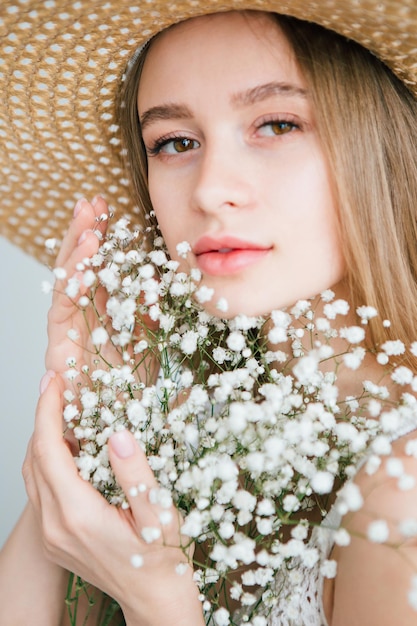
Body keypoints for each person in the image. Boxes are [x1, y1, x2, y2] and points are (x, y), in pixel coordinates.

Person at [1, 2, 417, 625]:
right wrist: (86, 421)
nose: (207, 188)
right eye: (175, 142)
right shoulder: (195, 434)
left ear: (382, 144)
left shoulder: (401, 493)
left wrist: (158, 605)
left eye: (275, 125)